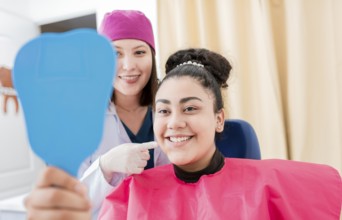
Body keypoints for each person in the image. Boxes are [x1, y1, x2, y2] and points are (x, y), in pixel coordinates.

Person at [24, 48, 342, 219]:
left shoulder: (273, 184)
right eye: (163, 110)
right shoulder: (132, 193)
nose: (174, 122)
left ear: (219, 119)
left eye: (190, 108)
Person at [78, 10, 169, 217]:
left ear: (152, 57)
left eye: (139, 52)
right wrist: (106, 166)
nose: (128, 66)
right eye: (115, 53)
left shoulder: (170, 109)